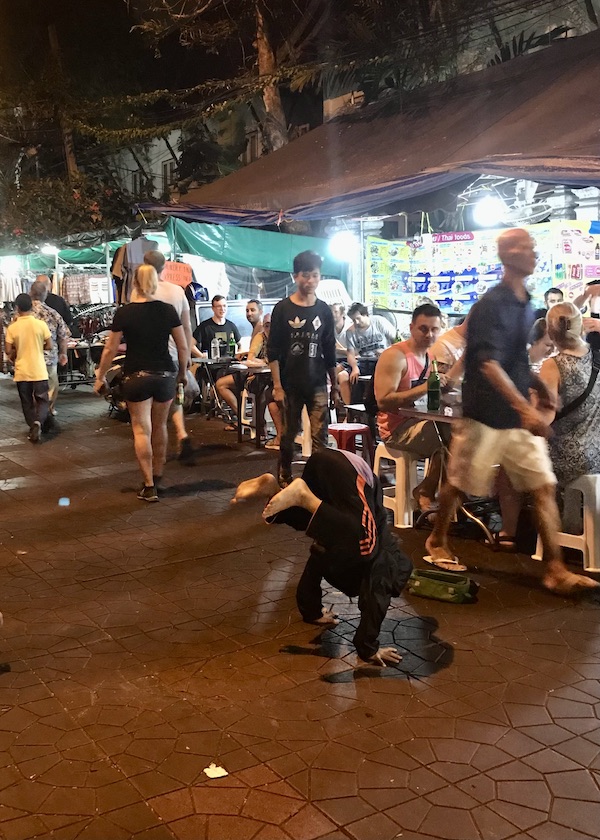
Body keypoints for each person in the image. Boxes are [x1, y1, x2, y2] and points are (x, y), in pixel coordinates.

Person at [424, 228, 598, 594]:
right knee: (458, 483)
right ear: (507, 255)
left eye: (534, 246)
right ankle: (437, 540)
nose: (534, 252)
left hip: (516, 420)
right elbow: (487, 363)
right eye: (526, 247)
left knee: (544, 486)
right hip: (484, 415)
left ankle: (554, 568)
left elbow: (515, 359)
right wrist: (526, 408)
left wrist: (536, 388)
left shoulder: (525, 302)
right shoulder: (492, 304)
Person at [232, 448, 413, 666]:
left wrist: (312, 612)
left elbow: (318, 558)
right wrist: (368, 649)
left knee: (319, 526)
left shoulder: (338, 545)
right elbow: (377, 596)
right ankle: (303, 496)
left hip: (326, 463)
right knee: (364, 544)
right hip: (348, 470)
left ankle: (275, 491)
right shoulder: (386, 565)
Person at [94, 264, 188, 502]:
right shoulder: (167, 311)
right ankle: (158, 474)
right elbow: (182, 345)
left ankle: (148, 485)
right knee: (160, 428)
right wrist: (183, 373)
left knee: (141, 430)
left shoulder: (124, 313)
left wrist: (100, 375)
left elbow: (110, 348)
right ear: (156, 282)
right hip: (165, 375)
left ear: (134, 283)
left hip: (136, 377)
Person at [267, 250, 338, 487]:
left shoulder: (324, 310)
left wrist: (334, 385)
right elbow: (273, 351)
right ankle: (285, 474)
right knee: (288, 435)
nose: (310, 281)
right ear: (295, 276)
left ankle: (317, 482)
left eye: (315, 275)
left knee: (321, 436)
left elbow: (329, 351)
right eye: (305, 275)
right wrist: (277, 386)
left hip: (318, 382)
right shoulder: (283, 309)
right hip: (289, 384)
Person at [374, 303, 446, 511]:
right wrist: (426, 387)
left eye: (434, 329)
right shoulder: (395, 356)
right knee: (451, 440)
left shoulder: (431, 357)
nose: (429, 334)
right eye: (423, 329)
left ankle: (439, 494)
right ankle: (426, 492)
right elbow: (383, 401)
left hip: (423, 422)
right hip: (396, 430)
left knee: (462, 437)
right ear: (411, 327)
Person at [538, 302, 600, 492]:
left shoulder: (552, 365)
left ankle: (518, 521)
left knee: (511, 468)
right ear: (581, 326)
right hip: (597, 454)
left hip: (565, 459)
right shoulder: (597, 357)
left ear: (550, 330)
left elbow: (544, 418)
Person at [143, 250, 194, 461]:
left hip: (149, 356)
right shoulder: (176, 291)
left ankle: (155, 453)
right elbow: (187, 326)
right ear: (165, 267)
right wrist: (187, 353)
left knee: (153, 407)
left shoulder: (142, 291)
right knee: (174, 398)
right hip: (175, 354)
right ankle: (181, 433)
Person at [5, 293, 52, 443]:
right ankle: (38, 423)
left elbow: (8, 350)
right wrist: (38, 345)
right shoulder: (41, 324)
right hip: (38, 369)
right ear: (32, 306)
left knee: (26, 402)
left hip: (22, 371)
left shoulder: (13, 327)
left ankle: (32, 426)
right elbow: (49, 345)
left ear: (17, 308)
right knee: (43, 400)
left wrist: (15, 353)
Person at [216, 299, 264, 428]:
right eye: (247, 310)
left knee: (221, 384)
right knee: (225, 373)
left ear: (261, 311)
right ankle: (242, 419)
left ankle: (242, 419)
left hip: (258, 373)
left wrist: (248, 357)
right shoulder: (256, 328)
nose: (249, 313)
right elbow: (256, 350)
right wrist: (246, 353)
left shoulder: (260, 328)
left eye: (252, 310)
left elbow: (260, 355)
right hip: (252, 370)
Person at [29, 279, 70, 429]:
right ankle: (47, 413)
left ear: (30, 293)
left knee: (31, 389)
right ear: (45, 294)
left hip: (28, 360)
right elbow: (63, 335)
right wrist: (63, 353)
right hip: (48, 359)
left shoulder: (21, 315)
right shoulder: (53, 314)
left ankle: (35, 417)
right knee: (50, 387)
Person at [338, 303, 396, 404]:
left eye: (358, 318)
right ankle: (351, 409)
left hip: (382, 361)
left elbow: (397, 341)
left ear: (366, 315)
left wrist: (387, 352)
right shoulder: (350, 332)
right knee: (346, 376)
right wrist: (354, 368)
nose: (356, 322)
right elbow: (350, 354)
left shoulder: (379, 322)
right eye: (353, 320)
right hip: (364, 361)